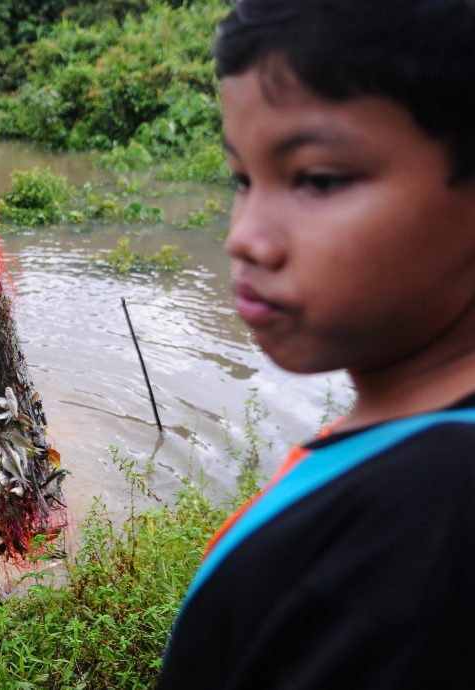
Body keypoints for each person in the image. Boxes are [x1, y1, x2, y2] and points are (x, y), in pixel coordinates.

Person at [158, 1, 475, 687]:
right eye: (242, 178)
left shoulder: (429, 522)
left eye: (317, 179)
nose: (242, 235)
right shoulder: (403, 443)